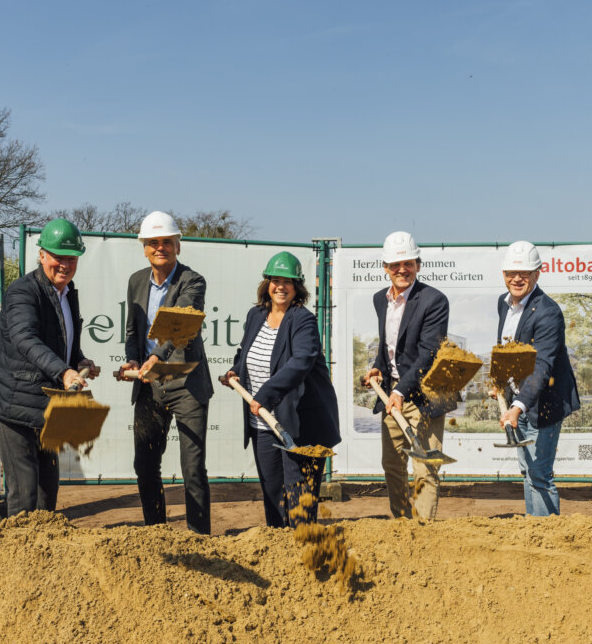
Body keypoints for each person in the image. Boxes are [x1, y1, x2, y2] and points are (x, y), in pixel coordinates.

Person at [0, 218, 95, 519]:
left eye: (71, 258)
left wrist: (78, 362)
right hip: (13, 406)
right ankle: (8, 548)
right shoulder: (23, 292)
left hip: (45, 406)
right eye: (58, 256)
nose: (65, 264)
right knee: (24, 495)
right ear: (42, 255)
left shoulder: (67, 293)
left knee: (47, 495)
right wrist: (64, 373)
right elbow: (25, 339)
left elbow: (60, 342)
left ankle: (38, 549)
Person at [220, 252, 340, 527]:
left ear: (297, 286)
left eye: (288, 281)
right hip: (263, 423)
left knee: (299, 498)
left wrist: (264, 395)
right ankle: (277, 547)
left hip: (302, 423)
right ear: (267, 284)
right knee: (273, 495)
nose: (281, 287)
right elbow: (245, 352)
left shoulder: (303, 320)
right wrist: (236, 371)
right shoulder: (256, 315)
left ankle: (304, 547)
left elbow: (301, 362)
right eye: (276, 280)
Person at [116, 211, 213, 534]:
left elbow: (181, 323)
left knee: (192, 469)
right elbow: (133, 332)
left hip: (187, 385)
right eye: (153, 242)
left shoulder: (193, 281)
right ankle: (155, 535)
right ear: (144, 247)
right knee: (145, 465)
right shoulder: (136, 281)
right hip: (149, 386)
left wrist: (156, 356)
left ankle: (199, 540)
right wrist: (133, 360)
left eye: (167, 242)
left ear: (178, 246)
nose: (161, 248)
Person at [361, 231, 454, 519]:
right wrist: (379, 366)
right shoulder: (380, 299)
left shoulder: (434, 300)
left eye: (408, 264)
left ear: (418, 265)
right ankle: (402, 524)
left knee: (425, 466)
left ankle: (424, 531)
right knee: (392, 464)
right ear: (385, 267)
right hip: (392, 394)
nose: (402, 270)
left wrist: (400, 391)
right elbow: (389, 344)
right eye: (395, 265)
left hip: (425, 394)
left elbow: (428, 353)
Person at [493, 241, 581, 516]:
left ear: (537, 274)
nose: (517, 278)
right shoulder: (504, 303)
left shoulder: (547, 312)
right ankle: (534, 529)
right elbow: (507, 348)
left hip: (544, 404)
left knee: (540, 474)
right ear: (504, 273)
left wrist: (518, 406)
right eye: (511, 272)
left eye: (525, 273)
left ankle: (547, 535)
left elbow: (542, 365)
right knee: (527, 470)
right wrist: (500, 382)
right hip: (517, 400)